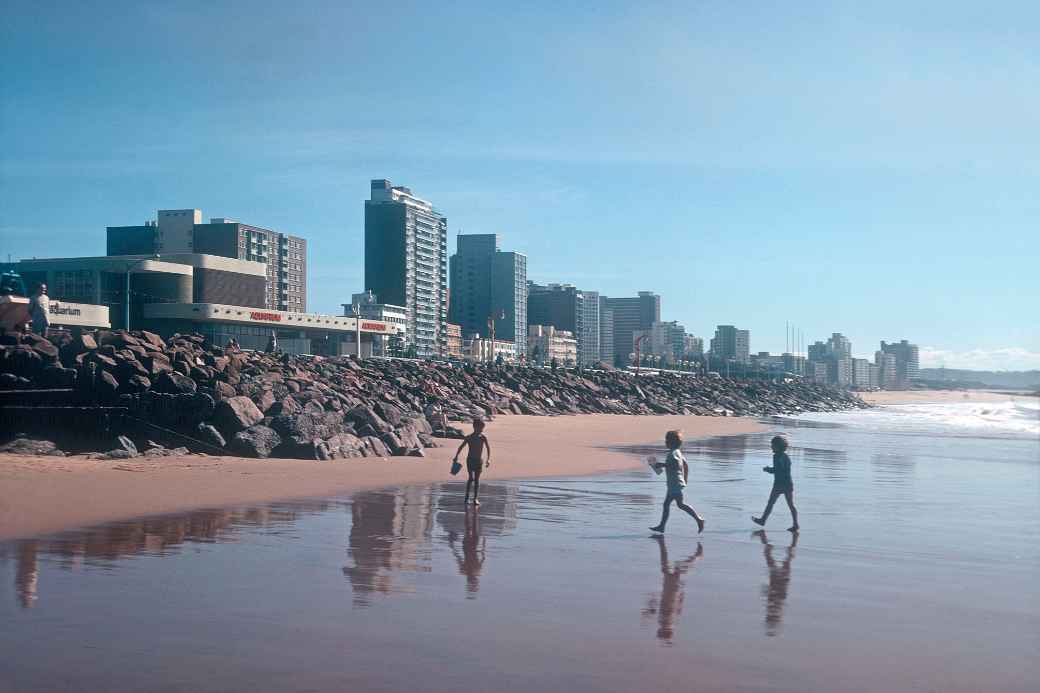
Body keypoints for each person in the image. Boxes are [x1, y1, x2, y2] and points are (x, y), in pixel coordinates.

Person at [650, 430, 705, 534]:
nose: (665, 442)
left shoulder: (673, 453)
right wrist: (685, 479)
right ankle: (662, 526)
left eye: (667, 440)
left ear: (671, 442)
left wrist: (662, 465)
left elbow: (676, 465)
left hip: (674, 484)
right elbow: (685, 464)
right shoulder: (678, 452)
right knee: (679, 504)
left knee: (672, 504)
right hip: (675, 483)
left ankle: (699, 519)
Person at [752, 435, 799, 532]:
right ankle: (795, 524)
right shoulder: (785, 456)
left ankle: (763, 520)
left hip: (779, 484)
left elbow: (778, 470)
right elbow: (783, 469)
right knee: (790, 505)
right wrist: (773, 470)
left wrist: (768, 469)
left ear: (778, 446)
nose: (771, 447)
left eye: (773, 445)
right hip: (787, 483)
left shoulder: (777, 456)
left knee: (771, 503)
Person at [453, 418, 491, 506]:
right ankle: (466, 498)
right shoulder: (469, 437)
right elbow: (461, 447)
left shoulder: (483, 437)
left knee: (477, 480)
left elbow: (488, 448)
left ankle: (475, 498)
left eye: (482, 428)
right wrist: (456, 456)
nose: (482, 430)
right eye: (480, 428)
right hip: (470, 460)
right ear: (475, 427)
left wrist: (488, 459)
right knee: (471, 478)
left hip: (479, 461)